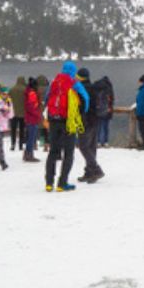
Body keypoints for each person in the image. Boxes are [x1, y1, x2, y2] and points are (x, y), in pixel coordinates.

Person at [45, 61, 88, 192]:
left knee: (53, 151)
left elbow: (47, 99)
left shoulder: (54, 82)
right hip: (68, 122)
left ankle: (49, 182)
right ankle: (62, 183)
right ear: (73, 71)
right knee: (68, 153)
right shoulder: (75, 83)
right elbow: (86, 100)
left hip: (53, 120)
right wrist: (79, 114)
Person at [77, 69, 109, 183]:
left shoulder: (81, 89)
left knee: (83, 146)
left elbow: (80, 107)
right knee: (91, 146)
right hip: (96, 119)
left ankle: (95, 169)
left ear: (80, 77)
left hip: (85, 121)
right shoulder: (94, 88)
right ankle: (89, 172)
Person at [23, 77, 43, 162]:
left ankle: (27, 153)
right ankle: (29, 155)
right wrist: (38, 115)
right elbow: (32, 107)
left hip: (29, 118)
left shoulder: (28, 92)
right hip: (32, 119)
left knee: (30, 137)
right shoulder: (32, 94)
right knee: (31, 138)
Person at [9, 76, 29, 151]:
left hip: (13, 113)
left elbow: (8, 100)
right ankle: (20, 145)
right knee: (22, 130)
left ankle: (13, 144)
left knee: (13, 130)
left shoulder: (12, 89)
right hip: (23, 113)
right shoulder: (25, 90)